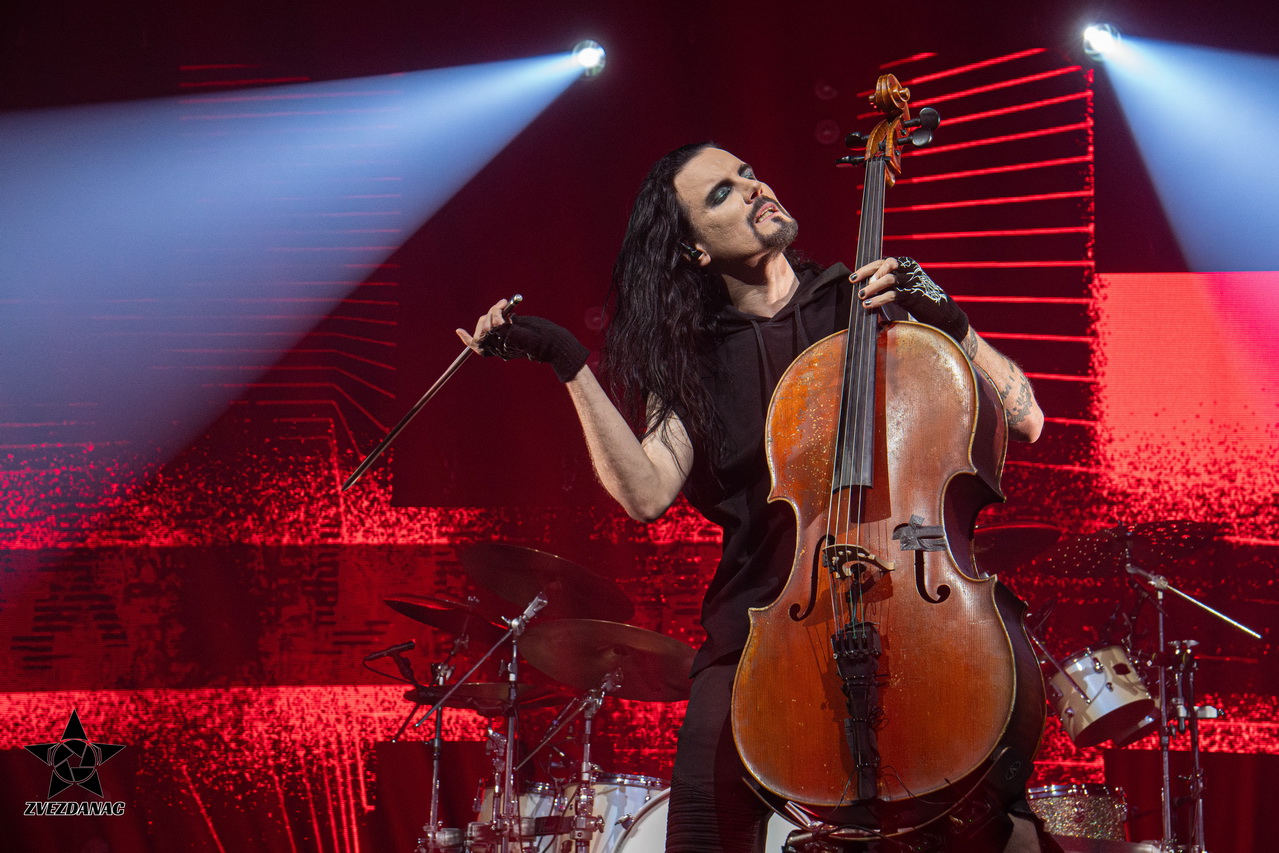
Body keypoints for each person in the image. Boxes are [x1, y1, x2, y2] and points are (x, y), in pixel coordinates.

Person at [458, 143, 1052, 852]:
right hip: (763, 626)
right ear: (694, 250)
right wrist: (569, 364)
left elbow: (1026, 419)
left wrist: (951, 322)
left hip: (916, 612)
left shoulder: (866, 301)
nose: (752, 187)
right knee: (702, 827)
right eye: (720, 193)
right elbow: (645, 492)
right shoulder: (693, 360)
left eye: (746, 174)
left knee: (991, 828)